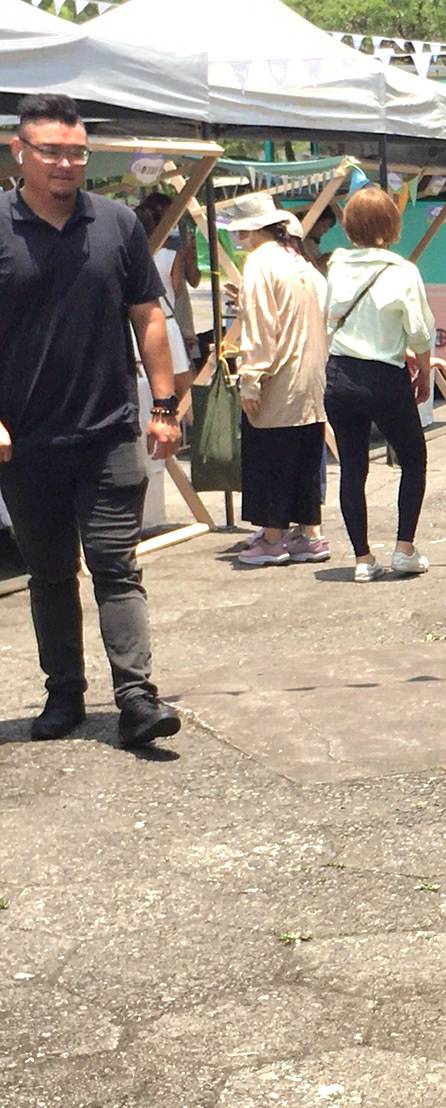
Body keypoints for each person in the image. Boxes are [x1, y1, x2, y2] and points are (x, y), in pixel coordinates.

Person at [0, 93, 181, 747]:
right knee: (49, 574)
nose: (66, 163)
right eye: (51, 151)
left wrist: (163, 407)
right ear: (19, 151)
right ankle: (63, 695)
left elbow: (149, 316)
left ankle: (136, 698)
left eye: (77, 152)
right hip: (24, 442)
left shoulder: (117, 223)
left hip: (108, 432)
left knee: (115, 565)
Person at [321, 186, 435, 582]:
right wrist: (423, 370)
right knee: (413, 458)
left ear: (349, 225)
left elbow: (329, 318)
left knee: (352, 467)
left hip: (340, 374)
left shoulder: (336, 265)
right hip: (385, 376)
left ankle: (362, 559)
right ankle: (404, 548)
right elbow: (419, 332)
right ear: (391, 224)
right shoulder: (402, 271)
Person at [227, 198, 330, 568]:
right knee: (305, 457)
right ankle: (310, 534)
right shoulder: (300, 262)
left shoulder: (259, 262)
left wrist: (251, 378)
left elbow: (260, 326)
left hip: (278, 376)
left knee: (271, 456)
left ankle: (273, 538)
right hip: (312, 375)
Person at [134, 193, 199, 397]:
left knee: (147, 386)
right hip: (167, 323)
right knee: (183, 388)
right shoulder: (172, 254)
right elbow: (179, 288)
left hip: (137, 328)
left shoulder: (131, 255)